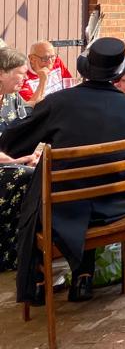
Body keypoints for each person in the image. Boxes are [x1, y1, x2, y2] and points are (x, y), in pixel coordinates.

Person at [0, 37, 125, 304]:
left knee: (38, 188)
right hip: (117, 205)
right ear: (117, 75)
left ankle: (37, 279)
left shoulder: (60, 103)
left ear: (86, 70)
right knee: (76, 184)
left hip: (65, 210)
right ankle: (83, 276)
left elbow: (12, 142)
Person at [0, 47, 36, 273]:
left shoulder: (13, 98)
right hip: (6, 166)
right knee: (29, 175)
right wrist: (17, 160)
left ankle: (24, 251)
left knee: (41, 170)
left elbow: (28, 131)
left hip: (12, 165)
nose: (25, 78)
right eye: (21, 73)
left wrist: (35, 154)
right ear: (2, 73)